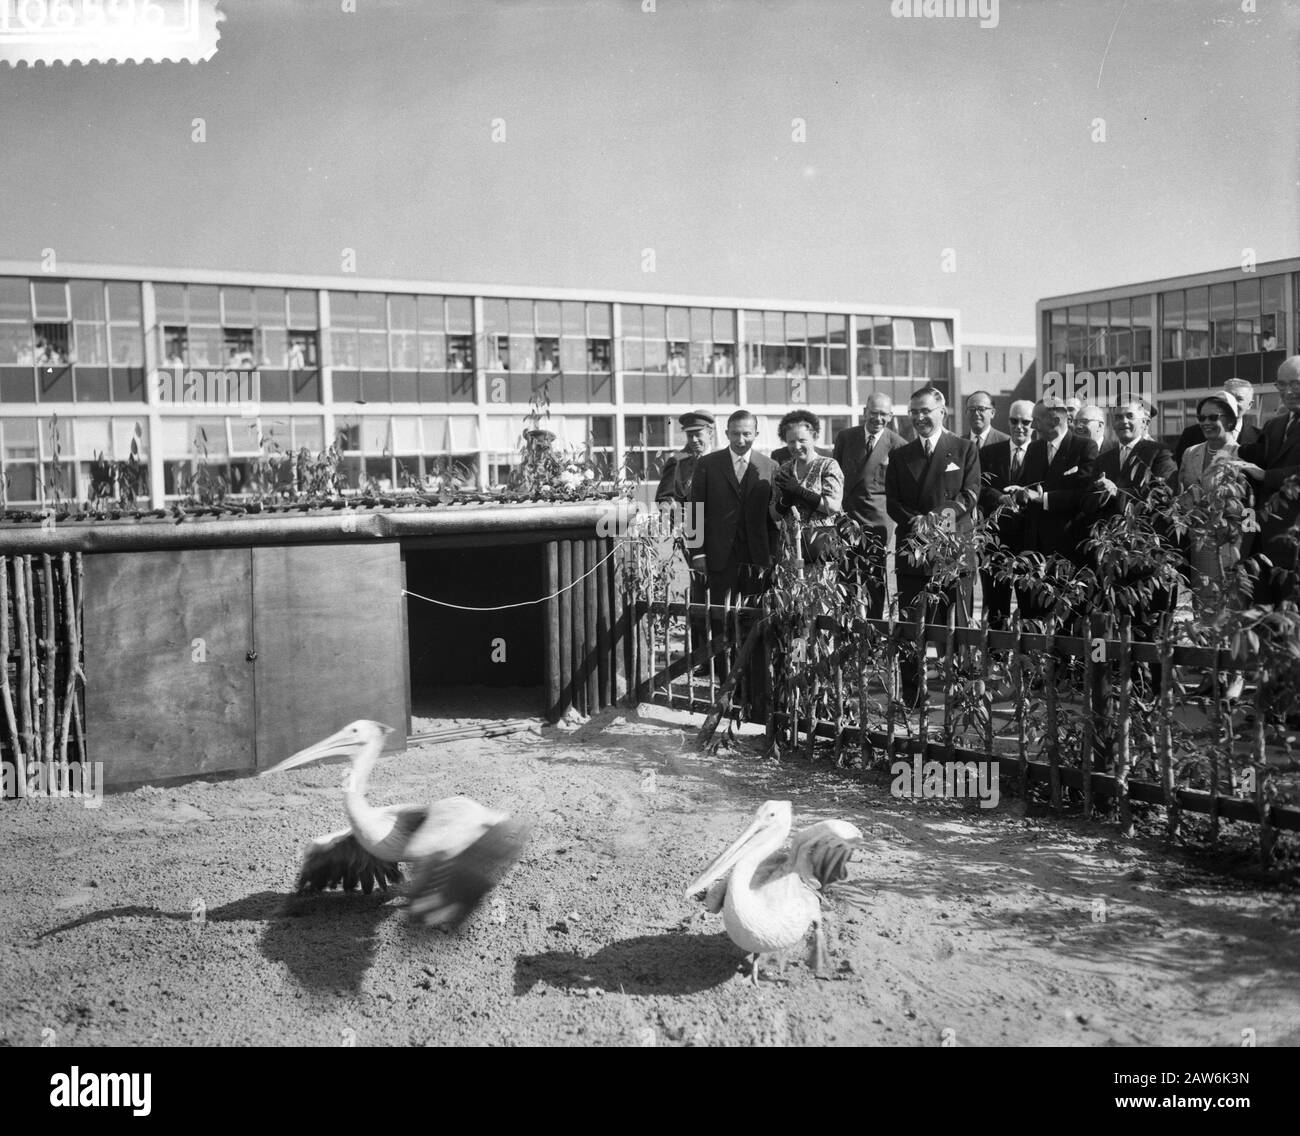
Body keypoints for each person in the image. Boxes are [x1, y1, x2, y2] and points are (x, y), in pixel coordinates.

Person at [1084, 400, 1179, 645]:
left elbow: (1160, 496)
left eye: (1129, 416)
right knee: (1121, 626)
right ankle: (1126, 679)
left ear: (1145, 421)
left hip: (1147, 556)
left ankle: (1156, 682)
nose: (1123, 422)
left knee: (1152, 628)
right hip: (1114, 559)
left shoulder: (1160, 453)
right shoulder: (1104, 459)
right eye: (1117, 417)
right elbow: (1089, 505)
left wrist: (1117, 492)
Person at [1180, 391, 1254, 699]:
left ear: (1231, 419)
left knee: (1232, 611)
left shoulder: (1242, 453)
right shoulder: (1191, 453)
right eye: (1203, 418)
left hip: (1232, 545)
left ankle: (1234, 678)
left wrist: (1245, 545)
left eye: (1215, 417)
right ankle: (1212, 673)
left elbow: (1251, 505)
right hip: (1201, 542)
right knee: (1205, 610)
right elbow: (1183, 491)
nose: (1208, 423)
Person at [886, 386, 980, 622]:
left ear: (942, 412)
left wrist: (932, 521)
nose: (919, 418)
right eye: (913, 412)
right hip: (914, 547)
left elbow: (969, 495)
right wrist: (918, 524)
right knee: (914, 628)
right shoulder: (900, 455)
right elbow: (892, 502)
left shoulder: (964, 449)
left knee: (956, 628)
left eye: (926, 411)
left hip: (953, 548)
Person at [1010, 399, 1098, 622]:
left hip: (1068, 550)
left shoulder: (1084, 447)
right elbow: (1027, 486)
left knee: (1067, 618)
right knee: (1036, 616)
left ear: (1055, 420)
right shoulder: (1035, 448)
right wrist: (1019, 492)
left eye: (1036, 420)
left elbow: (1084, 494)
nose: (1032, 427)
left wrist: (1045, 499)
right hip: (1035, 551)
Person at [689, 409, 778, 606]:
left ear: (756, 434)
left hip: (757, 557)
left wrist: (772, 553)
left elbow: (773, 519)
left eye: (746, 434)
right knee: (721, 615)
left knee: (755, 615)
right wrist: (697, 552)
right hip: (718, 556)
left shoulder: (770, 466)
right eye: (735, 433)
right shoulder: (707, 464)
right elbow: (694, 511)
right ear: (727, 433)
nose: (741, 439)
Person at [833, 393, 906, 618]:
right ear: (865, 411)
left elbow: (899, 489)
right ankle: (844, 629)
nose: (878, 418)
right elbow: (836, 476)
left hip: (877, 520)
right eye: (873, 412)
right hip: (846, 518)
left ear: (891, 416)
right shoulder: (846, 437)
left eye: (884, 414)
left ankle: (874, 631)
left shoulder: (898, 445)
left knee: (874, 578)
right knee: (844, 577)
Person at [1238, 356, 1300, 601]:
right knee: (1263, 624)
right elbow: (1255, 474)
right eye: (1281, 384)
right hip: (1263, 544)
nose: (1287, 391)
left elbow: (1263, 474)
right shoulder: (1275, 425)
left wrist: (1267, 475)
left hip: (1294, 544)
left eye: (1295, 384)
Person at [977, 399, 1035, 629]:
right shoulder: (990, 452)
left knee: (1029, 605)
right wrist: (999, 498)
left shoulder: (1042, 453)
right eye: (1014, 421)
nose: (1019, 426)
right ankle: (995, 659)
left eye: (1026, 422)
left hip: (1029, 542)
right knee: (995, 607)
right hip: (996, 542)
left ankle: (1029, 660)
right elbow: (977, 487)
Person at [771, 409, 843, 568]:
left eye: (802, 440)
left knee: (821, 592)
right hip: (790, 550)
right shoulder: (782, 470)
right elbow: (774, 515)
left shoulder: (828, 465)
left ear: (815, 437)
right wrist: (785, 500)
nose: (796, 446)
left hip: (821, 549)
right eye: (791, 441)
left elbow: (832, 507)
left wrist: (799, 491)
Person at [1173, 379, 1260, 464]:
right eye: (1228, 397)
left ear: (1250, 404)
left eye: (1239, 399)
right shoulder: (1191, 435)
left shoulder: (1259, 438)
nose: (1231, 402)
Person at [655, 410, 714, 506]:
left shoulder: (724, 459)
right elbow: (664, 498)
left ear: (710, 433)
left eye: (698, 435)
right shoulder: (678, 462)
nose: (694, 440)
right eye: (690, 436)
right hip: (690, 519)